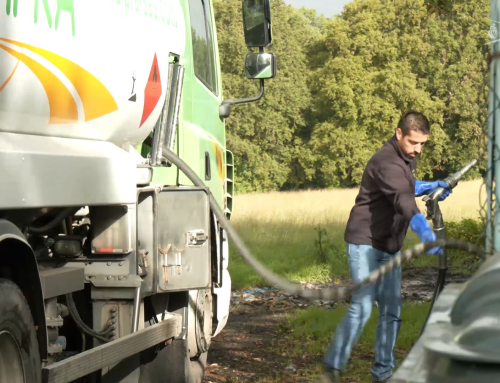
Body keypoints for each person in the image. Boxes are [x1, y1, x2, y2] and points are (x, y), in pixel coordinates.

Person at [321, 111, 452, 383]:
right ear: (399, 133)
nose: (418, 149)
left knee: (392, 310)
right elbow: (402, 200)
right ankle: (334, 364)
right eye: (413, 142)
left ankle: (383, 373)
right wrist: (424, 231)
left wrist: (428, 186)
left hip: (390, 245)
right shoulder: (386, 161)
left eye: (423, 144)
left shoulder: (405, 159)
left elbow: (406, 186)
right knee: (364, 306)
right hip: (365, 243)